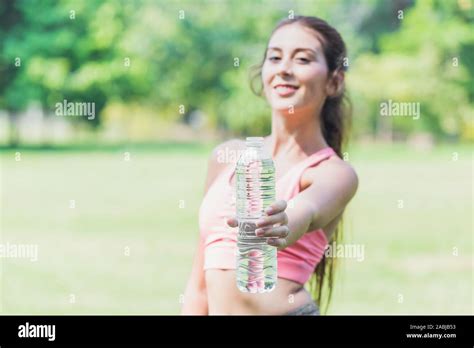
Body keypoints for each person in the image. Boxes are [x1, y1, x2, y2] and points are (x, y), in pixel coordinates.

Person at [182, 15, 358, 315]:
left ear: (334, 81)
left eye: (302, 59)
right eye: (274, 57)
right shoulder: (227, 156)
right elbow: (199, 284)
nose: (284, 69)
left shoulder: (334, 173)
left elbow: (306, 211)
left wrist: (284, 222)